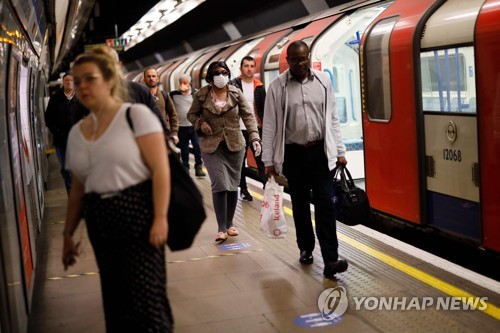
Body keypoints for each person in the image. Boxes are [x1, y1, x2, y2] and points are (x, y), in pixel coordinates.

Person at [61, 46, 173, 332]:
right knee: (115, 295)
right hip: (101, 219)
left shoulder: (137, 116)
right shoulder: (78, 132)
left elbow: (161, 169)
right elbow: (78, 187)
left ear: (109, 79)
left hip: (139, 212)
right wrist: (68, 233)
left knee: (147, 297)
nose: (82, 86)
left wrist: (160, 217)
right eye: (78, 79)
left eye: (90, 78)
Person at [262, 40, 348, 279]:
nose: (300, 63)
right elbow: (269, 125)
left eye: (304, 58)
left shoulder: (323, 81)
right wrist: (268, 161)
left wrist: (339, 151)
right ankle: (306, 248)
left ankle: (331, 259)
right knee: (300, 205)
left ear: (308, 57)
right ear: (287, 61)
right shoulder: (277, 87)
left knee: (325, 206)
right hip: (293, 154)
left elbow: (332, 119)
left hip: (320, 153)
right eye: (295, 60)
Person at [187, 60, 261, 242]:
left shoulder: (236, 93)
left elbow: (248, 116)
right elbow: (191, 114)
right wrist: (200, 123)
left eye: (224, 72)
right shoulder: (202, 95)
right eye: (217, 72)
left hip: (235, 145)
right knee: (220, 183)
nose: (221, 75)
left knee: (232, 185)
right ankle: (221, 227)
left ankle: (229, 224)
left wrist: (255, 138)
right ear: (210, 76)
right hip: (212, 146)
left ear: (228, 74)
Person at [230, 56, 267, 201]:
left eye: (252, 66)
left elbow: (265, 109)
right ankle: (244, 189)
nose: (249, 68)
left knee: (262, 160)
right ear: (241, 68)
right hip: (238, 129)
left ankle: (267, 189)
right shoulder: (233, 85)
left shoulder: (259, 87)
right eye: (246, 66)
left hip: (256, 129)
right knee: (241, 161)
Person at [44, 73, 88, 193]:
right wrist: (57, 132)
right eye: (66, 80)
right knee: (65, 168)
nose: (69, 82)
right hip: (61, 141)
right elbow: (48, 119)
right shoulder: (55, 99)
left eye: (71, 80)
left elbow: (88, 115)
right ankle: (70, 189)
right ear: (63, 83)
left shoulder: (80, 98)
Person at [170, 74, 206, 177]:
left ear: (189, 83)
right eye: (181, 83)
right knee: (184, 149)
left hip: (194, 126)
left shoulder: (195, 94)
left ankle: (199, 167)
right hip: (181, 127)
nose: (183, 85)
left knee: (197, 147)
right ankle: (185, 167)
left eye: (185, 83)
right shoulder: (173, 95)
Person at [144, 67, 179, 143]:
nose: (151, 78)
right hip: (147, 136)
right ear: (144, 79)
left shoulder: (164, 95)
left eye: (153, 76)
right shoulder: (141, 96)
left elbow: (173, 114)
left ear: (157, 79)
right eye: (148, 76)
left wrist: (174, 133)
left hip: (165, 135)